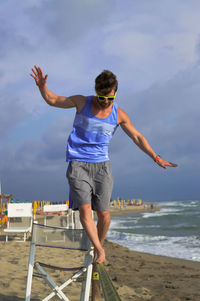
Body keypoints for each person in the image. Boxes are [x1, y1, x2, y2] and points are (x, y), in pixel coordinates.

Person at [30, 66, 178, 264]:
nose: (105, 102)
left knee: (105, 215)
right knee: (85, 211)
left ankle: (96, 247)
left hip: (102, 167)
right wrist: (42, 87)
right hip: (78, 165)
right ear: (96, 92)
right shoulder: (82, 101)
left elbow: (137, 137)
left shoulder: (119, 114)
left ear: (115, 93)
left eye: (109, 98)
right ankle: (100, 251)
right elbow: (53, 100)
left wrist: (156, 157)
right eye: (101, 98)